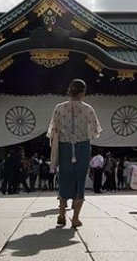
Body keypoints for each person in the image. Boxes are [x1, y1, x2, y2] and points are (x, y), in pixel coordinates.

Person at [47, 79, 102, 228]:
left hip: (64, 146)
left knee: (64, 178)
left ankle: (61, 214)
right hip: (82, 146)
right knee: (80, 180)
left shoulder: (59, 108)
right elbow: (95, 131)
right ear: (82, 92)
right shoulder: (88, 108)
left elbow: (53, 130)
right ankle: (75, 218)